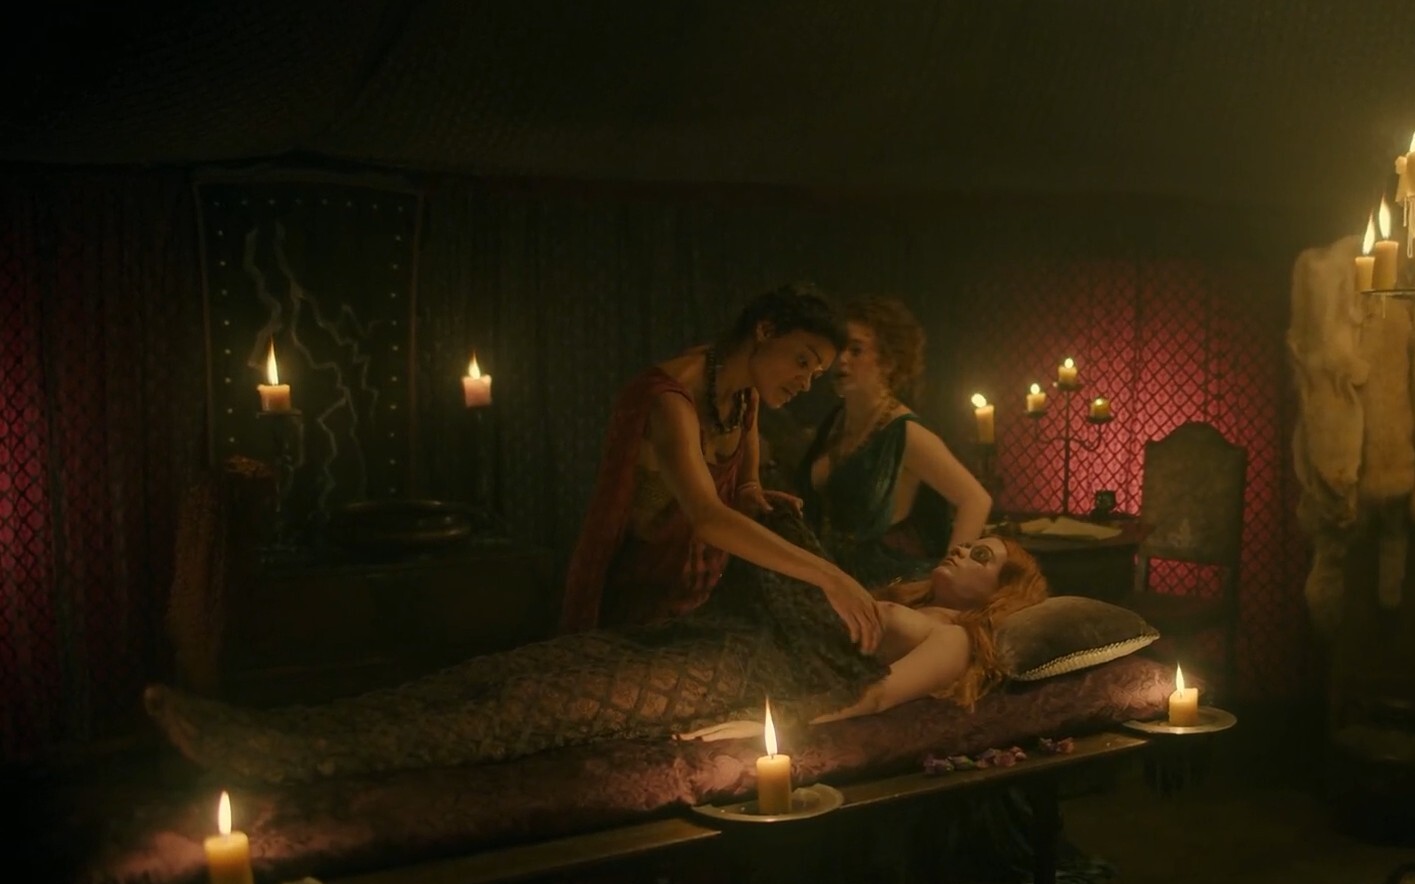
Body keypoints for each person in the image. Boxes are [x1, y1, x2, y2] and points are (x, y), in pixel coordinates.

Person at [140, 509, 1048, 786]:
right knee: (502, 671)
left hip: (739, 675)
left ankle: (286, 753)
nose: (963, 553)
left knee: (520, 710)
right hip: (714, 640)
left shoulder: (956, 639)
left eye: (985, 559)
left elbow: (873, 700)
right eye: (971, 543)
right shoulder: (894, 590)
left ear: (1001, 596)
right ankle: (281, 724)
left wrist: (759, 729)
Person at [559, 282, 880, 650]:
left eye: (815, 374)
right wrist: (829, 576)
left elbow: (745, 486)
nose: (805, 383)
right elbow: (707, 517)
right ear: (765, 330)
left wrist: (754, 498)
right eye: (802, 361)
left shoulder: (746, 395)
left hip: (705, 596)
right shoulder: (670, 399)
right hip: (641, 606)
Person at [798, 295, 992, 589]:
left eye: (856, 350)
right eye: (838, 348)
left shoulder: (906, 433)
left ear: (888, 361)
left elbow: (975, 499)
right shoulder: (834, 423)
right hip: (826, 577)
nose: (842, 359)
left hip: (880, 585)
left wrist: (946, 582)